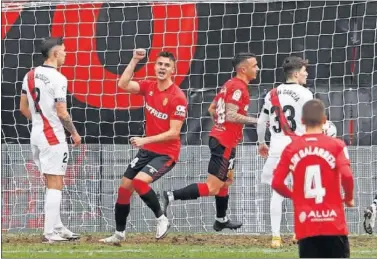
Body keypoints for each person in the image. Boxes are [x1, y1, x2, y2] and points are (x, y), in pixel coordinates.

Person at [161, 52, 259, 231]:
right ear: (243, 69)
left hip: (222, 139)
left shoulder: (229, 84)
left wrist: (220, 126)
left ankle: (221, 219)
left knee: (225, 182)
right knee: (213, 187)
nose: (257, 69)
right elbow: (230, 114)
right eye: (254, 66)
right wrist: (257, 121)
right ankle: (170, 195)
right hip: (224, 143)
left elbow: (212, 109)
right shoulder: (238, 88)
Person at [99, 49, 188, 243]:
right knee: (124, 188)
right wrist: (134, 60)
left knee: (139, 182)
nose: (162, 68)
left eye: (167, 65)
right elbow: (122, 84)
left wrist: (144, 140)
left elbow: (174, 132)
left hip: (166, 153)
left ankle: (162, 218)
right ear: (154, 66)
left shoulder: (177, 97)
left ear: (174, 70)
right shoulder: (149, 86)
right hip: (147, 150)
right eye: (159, 64)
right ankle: (119, 234)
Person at [272, 99, 354, 258]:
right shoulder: (337, 145)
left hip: (306, 226)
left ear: (302, 121)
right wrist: (349, 198)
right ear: (324, 120)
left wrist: (294, 195)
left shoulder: (292, 148)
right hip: (333, 224)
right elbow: (347, 175)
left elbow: (276, 182)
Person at [19, 37, 81, 243]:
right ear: (55, 54)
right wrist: (74, 133)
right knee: (56, 183)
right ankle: (49, 234)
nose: (66, 54)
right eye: (64, 51)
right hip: (52, 135)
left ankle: (58, 226)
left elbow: (23, 109)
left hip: (36, 135)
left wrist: (39, 120)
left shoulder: (29, 75)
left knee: (51, 181)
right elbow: (62, 112)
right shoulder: (59, 78)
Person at [256, 56, 313, 247]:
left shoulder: (271, 93)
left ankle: (275, 237)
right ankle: (299, 234)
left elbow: (261, 122)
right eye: (304, 70)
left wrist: (261, 142)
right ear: (296, 73)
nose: (306, 73)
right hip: (298, 149)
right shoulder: (306, 94)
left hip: (277, 148)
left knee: (277, 193)